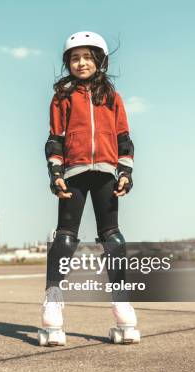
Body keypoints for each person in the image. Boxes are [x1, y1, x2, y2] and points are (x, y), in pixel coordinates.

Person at [39, 31, 139, 347]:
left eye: (87, 56)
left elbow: (124, 138)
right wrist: (56, 173)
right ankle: (52, 304)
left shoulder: (113, 97)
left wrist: (125, 171)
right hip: (73, 172)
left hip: (107, 172)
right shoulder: (63, 97)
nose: (81, 63)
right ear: (67, 63)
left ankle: (121, 305)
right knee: (65, 237)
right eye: (74, 57)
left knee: (113, 236)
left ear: (100, 61)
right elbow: (55, 139)